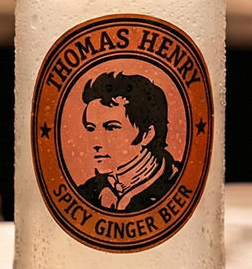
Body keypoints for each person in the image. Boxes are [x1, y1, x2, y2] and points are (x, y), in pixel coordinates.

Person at [76, 71, 182, 212]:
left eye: (111, 128)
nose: (96, 142)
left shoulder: (176, 183)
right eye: (91, 128)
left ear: (147, 134)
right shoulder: (86, 193)